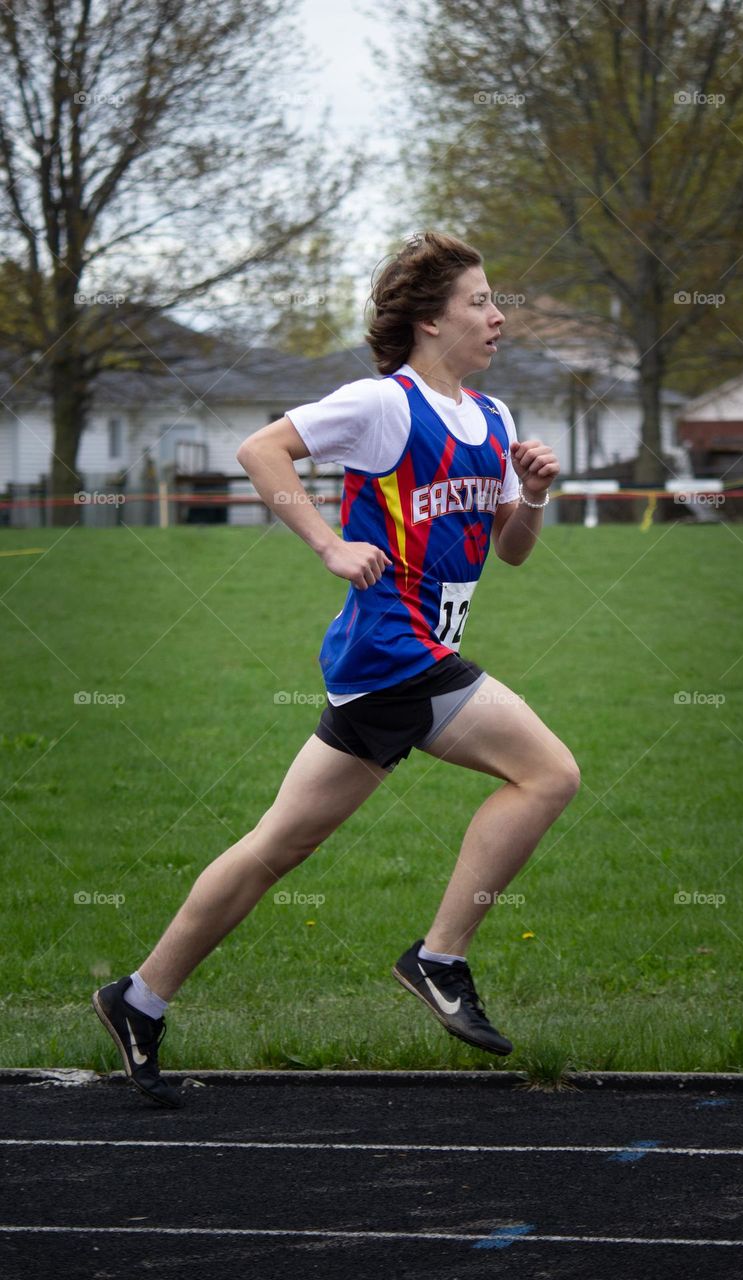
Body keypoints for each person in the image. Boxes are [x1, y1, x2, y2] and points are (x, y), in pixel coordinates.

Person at [92, 230, 581, 1108]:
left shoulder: (495, 419)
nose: (497, 315)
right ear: (429, 320)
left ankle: (139, 997)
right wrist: (327, 543)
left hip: (392, 665)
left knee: (277, 846)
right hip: (395, 650)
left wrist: (535, 493)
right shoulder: (381, 404)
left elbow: (510, 551)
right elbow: (260, 450)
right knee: (547, 773)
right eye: (478, 301)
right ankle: (439, 959)